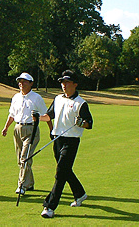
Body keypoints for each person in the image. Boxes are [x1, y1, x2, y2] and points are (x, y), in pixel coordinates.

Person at [37, 70, 93, 218]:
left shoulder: (81, 103)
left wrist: (83, 123)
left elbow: (89, 123)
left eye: (67, 82)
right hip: (57, 139)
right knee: (65, 171)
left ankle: (49, 207)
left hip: (71, 141)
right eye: (62, 82)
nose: (64, 85)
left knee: (60, 174)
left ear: (75, 84)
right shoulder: (58, 99)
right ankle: (79, 194)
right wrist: (37, 118)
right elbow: (49, 116)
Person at [2, 72, 53, 195]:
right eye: (20, 81)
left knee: (25, 158)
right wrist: (6, 127)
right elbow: (12, 114)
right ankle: (29, 183)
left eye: (24, 81)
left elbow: (46, 115)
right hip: (17, 128)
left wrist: (52, 130)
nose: (21, 84)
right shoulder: (16, 97)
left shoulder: (36, 98)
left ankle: (22, 185)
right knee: (21, 159)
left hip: (32, 130)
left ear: (31, 83)